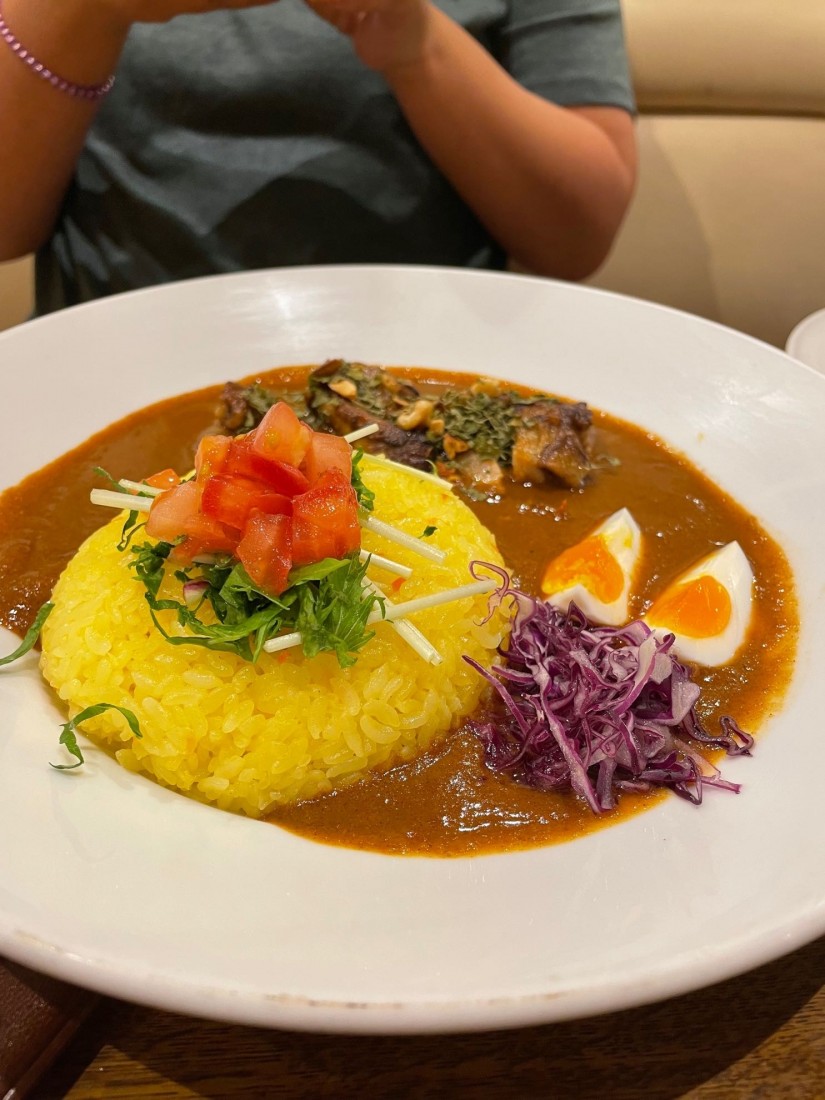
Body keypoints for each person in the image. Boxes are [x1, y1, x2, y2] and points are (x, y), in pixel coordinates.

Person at [0, 0, 636, 314]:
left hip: (425, 382)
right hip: (107, 369)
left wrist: (414, 41)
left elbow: (576, 238)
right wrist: (84, 9)